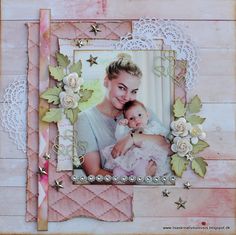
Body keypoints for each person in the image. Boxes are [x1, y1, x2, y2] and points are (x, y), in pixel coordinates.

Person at [75, 53, 170, 177]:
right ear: (106, 81)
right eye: (121, 88)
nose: (127, 97)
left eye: (133, 91)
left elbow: (169, 147)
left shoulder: (142, 113)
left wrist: (132, 138)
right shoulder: (85, 120)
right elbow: (94, 173)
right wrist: (138, 177)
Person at [101, 100, 170, 177]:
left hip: (146, 159)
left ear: (147, 115)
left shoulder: (153, 127)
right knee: (117, 171)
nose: (136, 119)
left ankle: (138, 181)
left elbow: (165, 136)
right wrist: (121, 126)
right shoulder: (129, 132)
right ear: (128, 124)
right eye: (131, 118)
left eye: (140, 115)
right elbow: (119, 137)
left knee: (140, 171)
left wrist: (165, 135)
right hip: (130, 160)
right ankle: (123, 182)